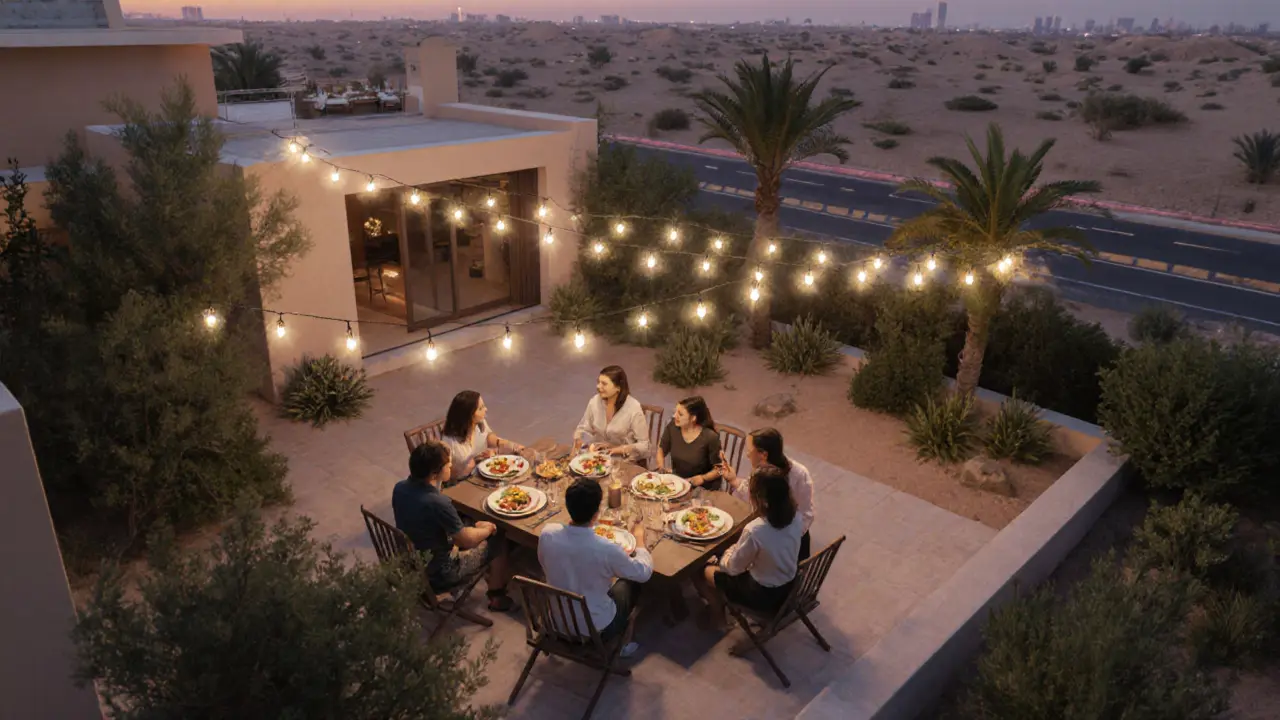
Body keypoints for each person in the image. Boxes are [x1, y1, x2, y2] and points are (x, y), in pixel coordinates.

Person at [392, 439, 515, 611]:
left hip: (412, 561)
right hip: (440, 572)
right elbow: (467, 540)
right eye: (448, 465)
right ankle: (496, 595)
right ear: (435, 474)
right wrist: (487, 529)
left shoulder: (400, 488)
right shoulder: (438, 502)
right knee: (499, 533)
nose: (450, 467)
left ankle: (492, 574)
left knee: (468, 522)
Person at [538, 477, 653, 657]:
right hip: (596, 627)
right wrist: (639, 539)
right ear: (597, 512)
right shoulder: (605, 548)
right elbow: (643, 572)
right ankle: (624, 643)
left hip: (556, 619)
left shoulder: (547, 533)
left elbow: (545, 563)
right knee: (630, 582)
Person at [693, 465, 802, 631]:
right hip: (789, 585)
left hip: (762, 594)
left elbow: (732, 569)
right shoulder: (796, 516)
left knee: (700, 571)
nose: (749, 494)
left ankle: (720, 619)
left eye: (752, 490)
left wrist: (727, 553)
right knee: (725, 556)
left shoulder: (755, 529)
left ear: (763, 501)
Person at [718, 427, 816, 561]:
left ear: (763, 454)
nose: (747, 455)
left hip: (791, 541)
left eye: (749, 451)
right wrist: (733, 480)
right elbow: (751, 493)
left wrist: (782, 539)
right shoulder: (759, 471)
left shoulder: (799, 474)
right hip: (767, 534)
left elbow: (806, 514)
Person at [439, 390, 527, 481]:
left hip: (481, 474)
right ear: (469, 415)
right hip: (462, 482)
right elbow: (450, 475)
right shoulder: (450, 441)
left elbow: (489, 437)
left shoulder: (479, 423)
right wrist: (478, 460)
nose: (486, 409)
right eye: (480, 408)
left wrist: (512, 446)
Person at [572, 365, 651, 462]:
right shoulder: (594, 401)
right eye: (598, 382)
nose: (598, 386)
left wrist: (616, 449)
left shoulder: (634, 408)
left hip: (623, 460)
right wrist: (581, 440)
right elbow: (583, 428)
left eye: (604, 384)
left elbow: (644, 446)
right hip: (597, 456)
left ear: (618, 388)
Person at [656, 396, 723, 490]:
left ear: (693, 418)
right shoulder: (673, 427)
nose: (675, 416)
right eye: (675, 412)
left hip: (703, 488)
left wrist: (703, 478)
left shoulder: (710, 437)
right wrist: (661, 468)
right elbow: (661, 449)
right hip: (678, 483)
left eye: (680, 414)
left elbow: (720, 469)